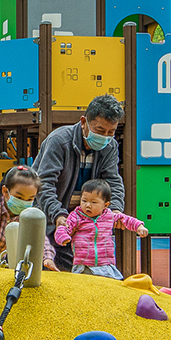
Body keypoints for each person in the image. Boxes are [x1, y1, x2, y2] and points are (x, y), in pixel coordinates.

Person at [36, 96, 125, 270]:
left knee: (84, 269)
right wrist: (58, 215)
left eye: (111, 132)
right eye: (99, 130)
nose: (105, 137)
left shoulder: (110, 147)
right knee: (49, 268)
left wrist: (114, 210)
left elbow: (113, 180)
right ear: (83, 122)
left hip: (83, 220)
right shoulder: (59, 141)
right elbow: (44, 183)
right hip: (51, 217)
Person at [52, 178, 148, 280]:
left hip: (105, 263)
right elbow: (65, 227)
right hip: (84, 265)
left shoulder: (109, 216)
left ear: (105, 205)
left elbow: (126, 219)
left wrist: (139, 226)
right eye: (84, 200)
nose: (88, 205)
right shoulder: (76, 216)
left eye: (94, 202)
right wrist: (63, 237)